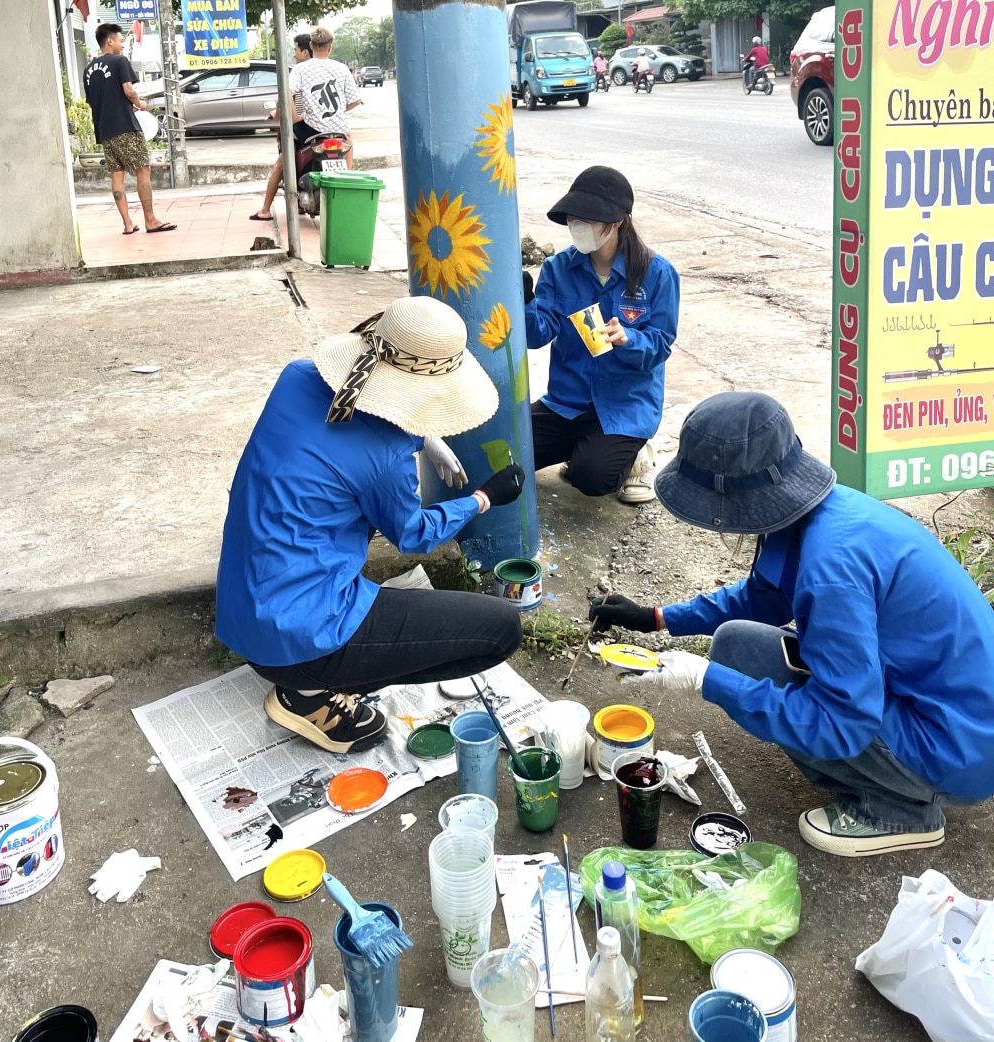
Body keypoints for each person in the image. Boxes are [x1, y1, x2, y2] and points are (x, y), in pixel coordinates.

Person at [589, 391, 994, 857]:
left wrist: (707, 681)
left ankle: (901, 811)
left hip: (958, 746)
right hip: (943, 703)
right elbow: (762, 595)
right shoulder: (820, 512)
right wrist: (656, 618)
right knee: (736, 645)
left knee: (757, 684)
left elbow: (843, 723)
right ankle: (897, 785)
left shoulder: (831, 573)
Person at [215, 296, 526, 754]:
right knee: (501, 630)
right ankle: (312, 695)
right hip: (304, 638)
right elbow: (414, 534)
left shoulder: (296, 377)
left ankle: (306, 682)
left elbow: (357, 416)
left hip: (244, 612)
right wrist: (483, 499)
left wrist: (423, 437)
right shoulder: (386, 457)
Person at [523, 166, 679, 505]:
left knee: (591, 477)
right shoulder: (558, 269)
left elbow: (661, 343)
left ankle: (634, 456)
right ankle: (585, 447)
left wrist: (629, 339)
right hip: (567, 402)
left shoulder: (657, 273)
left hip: (624, 404)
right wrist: (524, 302)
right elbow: (538, 335)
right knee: (508, 454)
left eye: (589, 219)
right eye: (573, 218)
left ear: (618, 221)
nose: (579, 226)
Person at [82, 23, 176, 235]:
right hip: (125, 126)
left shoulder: (88, 70)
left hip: (105, 130)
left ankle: (127, 224)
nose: (122, 45)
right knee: (143, 170)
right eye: (121, 41)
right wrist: (139, 103)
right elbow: (128, 89)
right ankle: (150, 220)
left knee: (117, 176)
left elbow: (91, 102)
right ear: (110, 41)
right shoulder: (119, 61)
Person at [250, 34, 315, 222]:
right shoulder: (329, 68)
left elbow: (286, 98)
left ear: (305, 51)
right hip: (328, 127)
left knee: (280, 165)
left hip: (302, 128)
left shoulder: (298, 71)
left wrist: (276, 114)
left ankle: (265, 209)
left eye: (295, 50)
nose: (294, 55)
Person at [291, 26, 362, 169]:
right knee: (348, 137)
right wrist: (341, 110)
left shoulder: (300, 69)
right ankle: (347, 174)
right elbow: (356, 100)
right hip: (339, 129)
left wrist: (296, 118)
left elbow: (287, 95)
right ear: (330, 47)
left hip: (311, 127)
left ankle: (292, 178)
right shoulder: (342, 68)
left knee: (289, 145)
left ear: (311, 46)